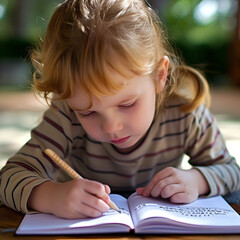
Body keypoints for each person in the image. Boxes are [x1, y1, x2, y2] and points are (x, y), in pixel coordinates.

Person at [0, 0, 239, 219]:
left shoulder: (187, 112)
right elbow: (8, 178)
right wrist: (50, 196)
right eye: (88, 112)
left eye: (127, 104)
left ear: (160, 75)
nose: (112, 127)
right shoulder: (66, 115)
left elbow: (231, 171)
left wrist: (197, 180)